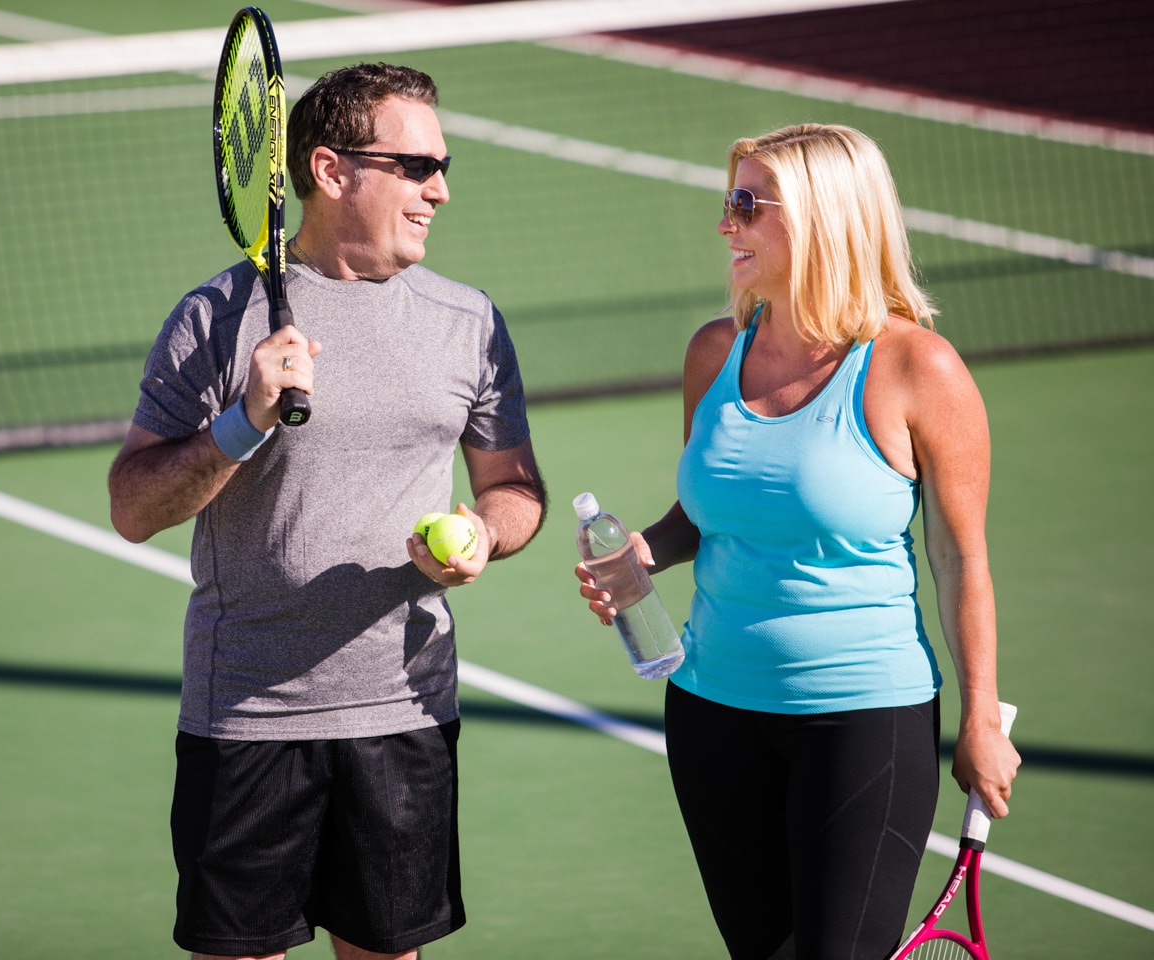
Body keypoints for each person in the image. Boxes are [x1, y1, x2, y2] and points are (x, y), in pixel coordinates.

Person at [109, 62, 546, 960]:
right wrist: (242, 423)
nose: (442, 190)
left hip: (406, 710)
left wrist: (488, 537)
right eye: (417, 166)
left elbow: (515, 487)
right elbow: (131, 507)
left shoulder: (469, 321)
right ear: (331, 169)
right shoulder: (215, 317)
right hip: (250, 714)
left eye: (444, 164)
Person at [574, 123, 1021, 959]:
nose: (726, 224)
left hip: (862, 720)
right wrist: (645, 552)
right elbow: (704, 514)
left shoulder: (918, 368)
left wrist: (980, 719)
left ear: (822, 217)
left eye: (748, 204)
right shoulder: (715, 353)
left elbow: (961, 557)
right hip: (711, 713)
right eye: (728, 201)